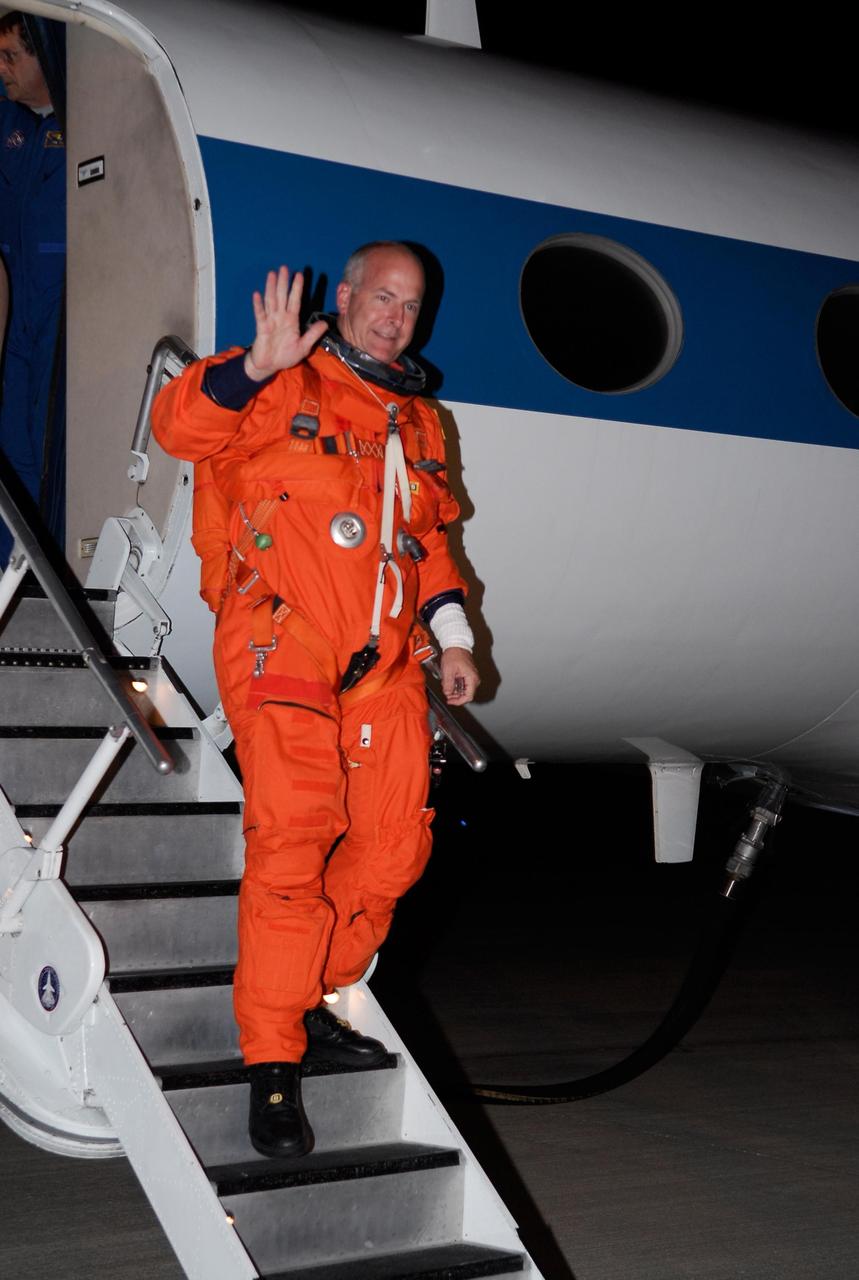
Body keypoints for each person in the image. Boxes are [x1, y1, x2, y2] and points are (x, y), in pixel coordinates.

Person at [152, 243, 480, 1158]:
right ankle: (272, 1061)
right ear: (345, 296)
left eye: (410, 306)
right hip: (281, 639)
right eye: (382, 297)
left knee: (393, 848)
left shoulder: (418, 422)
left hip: (383, 662)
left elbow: (428, 546)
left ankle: (300, 993)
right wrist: (254, 367)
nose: (395, 318)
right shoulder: (278, 382)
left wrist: (454, 639)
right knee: (295, 840)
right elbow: (179, 428)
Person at [0, 11, 66, 562]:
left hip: (55, 314)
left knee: (42, 442)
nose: (2, 69)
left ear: (46, 56)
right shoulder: (11, 125)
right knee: (7, 439)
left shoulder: (84, 127)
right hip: (11, 310)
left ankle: (39, 561)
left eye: (11, 56)